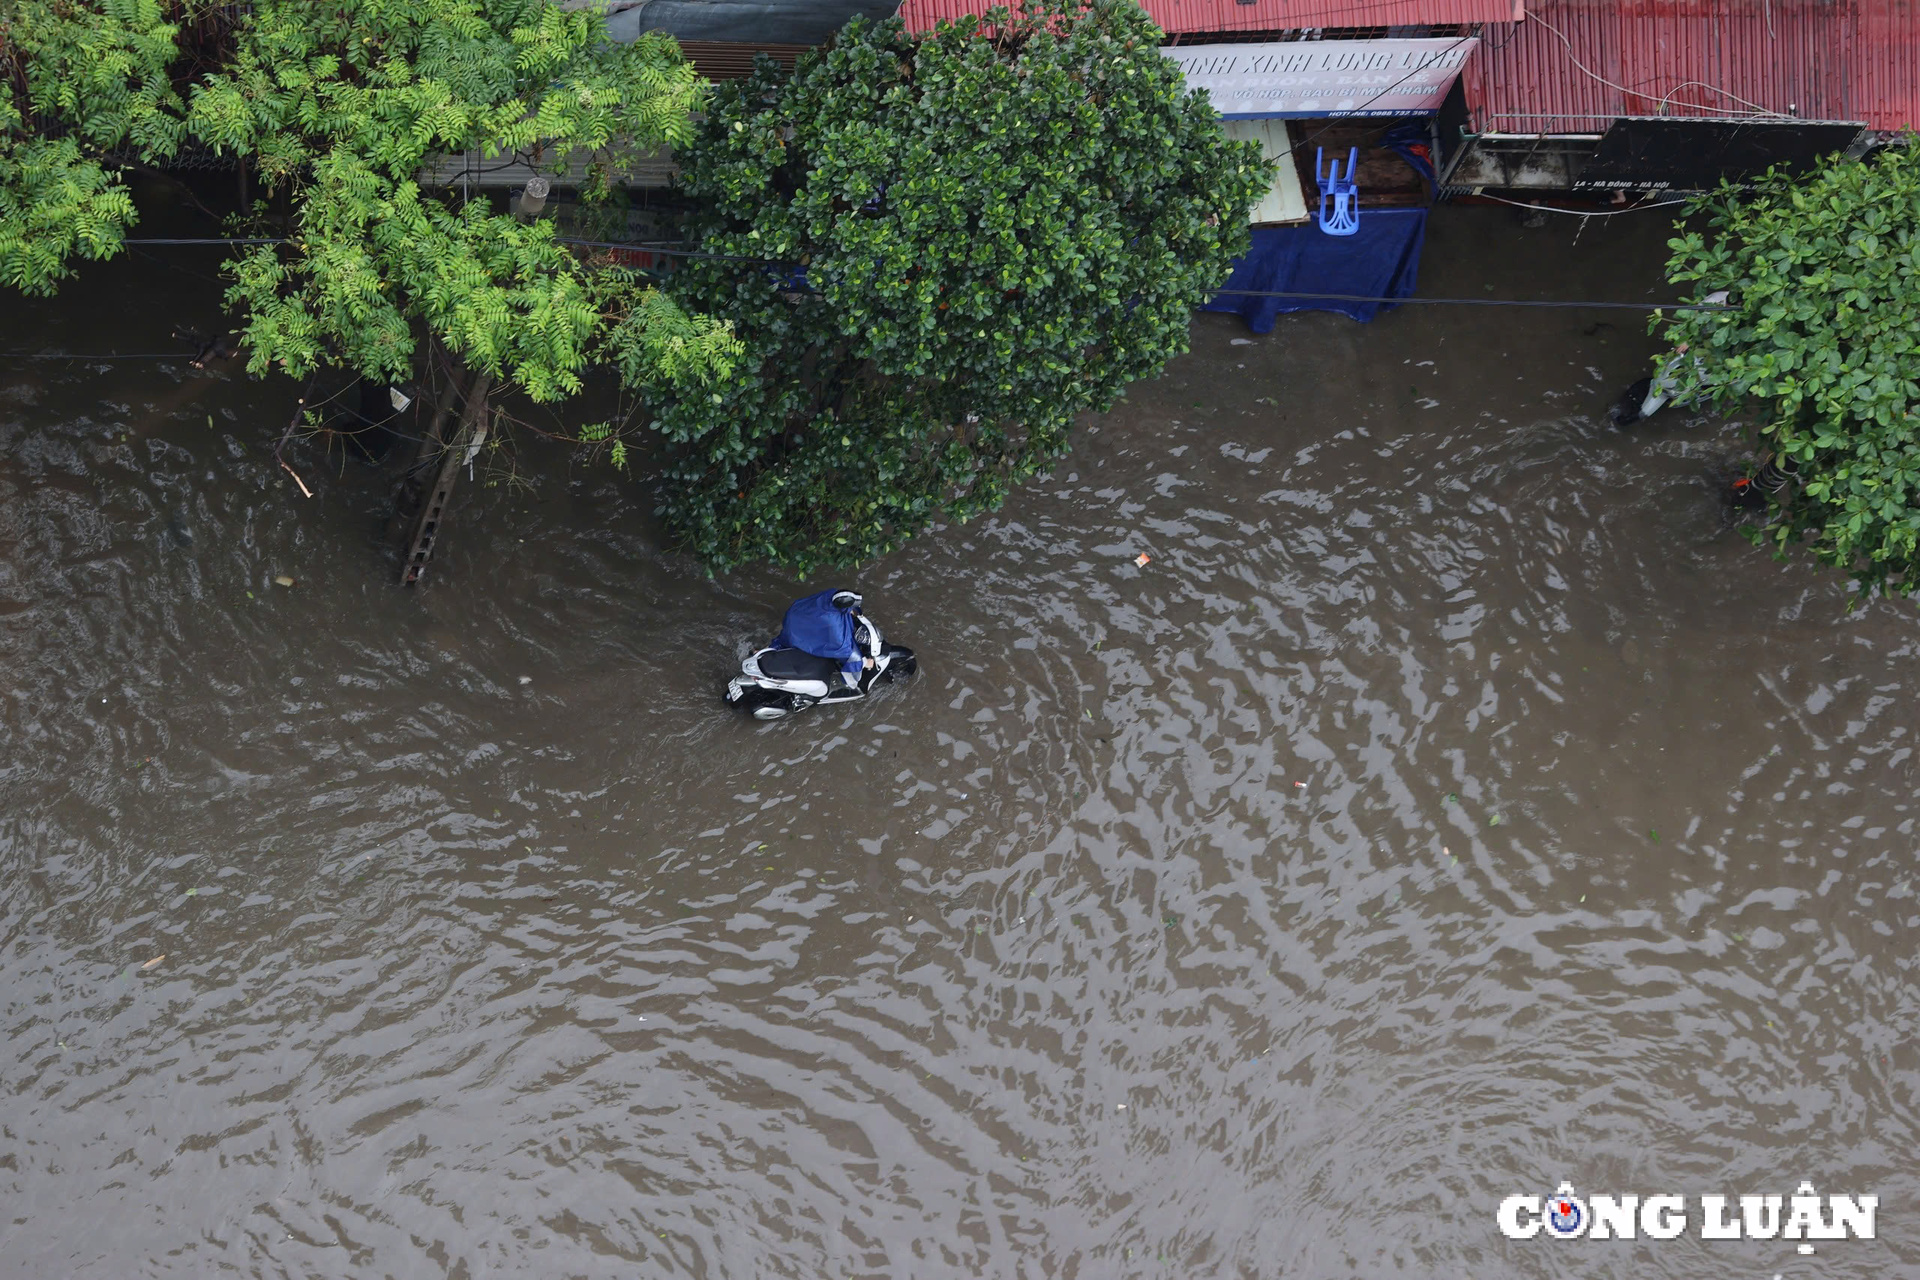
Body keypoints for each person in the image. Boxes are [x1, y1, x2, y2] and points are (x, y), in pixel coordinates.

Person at [773, 590, 870, 689]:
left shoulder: (829, 595)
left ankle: (769, 651)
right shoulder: (836, 630)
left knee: (782, 643)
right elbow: (846, 652)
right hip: (802, 642)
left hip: (792, 626)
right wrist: (865, 662)